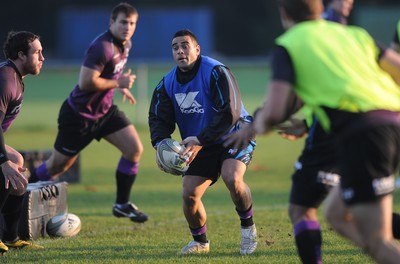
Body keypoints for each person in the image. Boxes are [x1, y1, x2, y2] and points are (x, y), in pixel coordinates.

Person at [224, 0, 400, 263]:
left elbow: (274, 109)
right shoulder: (354, 34)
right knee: (337, 215)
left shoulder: (290, 43)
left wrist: (254, 128)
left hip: (365, 134)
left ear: (284, 14)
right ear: (320, 10)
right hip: (391, 125)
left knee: (378, 241)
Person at [31, 2, 148, 223]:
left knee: (134, 149)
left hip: (105, 113)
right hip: (79, 116)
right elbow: (86, 83)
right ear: (112, 22)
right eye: (123, 22)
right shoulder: (102, 47)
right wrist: (117, 83)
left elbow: (111, 73)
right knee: (58, 165)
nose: (128, 27)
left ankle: (122, 204)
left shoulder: (126, 44)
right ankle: (23, 193)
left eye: (132, 23)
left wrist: (120, 85)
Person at [148, 29, 257, 255]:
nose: (180, 51)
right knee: (189, 194)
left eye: (185, 46)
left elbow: (230, 112)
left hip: (234, 132)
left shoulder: (215, 71)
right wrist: (160, 145)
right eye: (175, 47)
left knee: (232, 177)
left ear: (197, 49)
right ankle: (200, 242)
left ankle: (248, 228)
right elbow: (158, 118)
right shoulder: (167, 84)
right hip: (201, 141)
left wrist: (200, 139)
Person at [0, 31, 45, 253]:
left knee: (18, 170)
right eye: (37, 52)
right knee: (8, 167)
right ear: (21, 55)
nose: (42, 58)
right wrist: (2, 162)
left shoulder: (14, 76)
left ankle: (10, 238)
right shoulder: (6, 79)